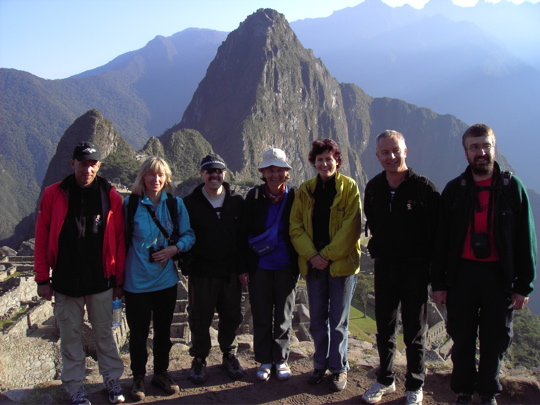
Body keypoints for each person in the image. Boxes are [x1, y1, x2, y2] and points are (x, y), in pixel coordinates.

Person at [432, 124, 537, 405]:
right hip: (462, 274)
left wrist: (523, 285)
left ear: (494, 148)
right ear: (465, 152)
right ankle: (463, 390)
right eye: (474, 147)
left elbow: (526, 239)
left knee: (496, 338)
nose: (481, 152)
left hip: (499, 276)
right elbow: (441, 240)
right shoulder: (455, 190)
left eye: (486, 146)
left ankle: (489, 391)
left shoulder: (511, 188)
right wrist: (439, 283)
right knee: (462, 336)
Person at [34, 141, 126, 405]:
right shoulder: (54, 194)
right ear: (72, 163)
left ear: (99, 166)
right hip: (65, 281)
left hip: (100, 280)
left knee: (105, 335)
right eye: (82, 163)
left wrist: (118, 281)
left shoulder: (111, 196)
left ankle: (112, 380)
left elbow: (119, 241)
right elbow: (41, 237)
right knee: (70, 336)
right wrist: (42, 279)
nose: (87, 169)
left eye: (92, 164)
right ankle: (75, 387)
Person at [361, 130, 440, 405]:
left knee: (414, 331)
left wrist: (435, 276)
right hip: (384, 267)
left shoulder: (423, 189)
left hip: (415, 269)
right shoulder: (373, 188)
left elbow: (437, 234)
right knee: (385, 327)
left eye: (396, 150)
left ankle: (415, 383)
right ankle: (385, 378)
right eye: (385, 152)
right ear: (377, 156)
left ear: (405, 151)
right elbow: (373, 221)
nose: (391, 157)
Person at [289, 139, 362, 392]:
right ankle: (319, 365)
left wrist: (326, 255)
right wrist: (312, 255)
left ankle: (339, 368)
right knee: (318, 319)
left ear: (337, 160)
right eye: (319, 159)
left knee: (338, 321)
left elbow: (351, 228)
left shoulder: (349, 188)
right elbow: (295, 226)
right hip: (313, 264)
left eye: (329, 158)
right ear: (314, 162)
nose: (324, 163)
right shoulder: (305, 190)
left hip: (340, 264)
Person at [122, 157, 195, 400]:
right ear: (142, 177)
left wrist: (175, 249)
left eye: (160, 175)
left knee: (163, 332)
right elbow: (119, 240)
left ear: (166, 179)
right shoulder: (130, 205)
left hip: (166, 281)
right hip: (137, 281)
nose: (156, 180)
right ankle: (138, 377)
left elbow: (189, 234)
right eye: (151, 175)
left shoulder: (175, 205)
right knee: (139, 332)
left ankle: (161, 373)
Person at [183, 153, 246, 384]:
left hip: (230, 270)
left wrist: (242, 268)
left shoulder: (236, 201)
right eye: (209, 171)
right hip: (202, 271)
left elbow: (243, 239)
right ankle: (199, 357)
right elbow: (183, 235)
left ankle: (229, 354)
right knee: (200, 316)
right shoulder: (190, 203)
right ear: (202, 174)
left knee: (231, 315)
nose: (214, 175)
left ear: (224, 175)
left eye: (218, 171)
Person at [240, 148, 299, 382]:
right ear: (263, 173)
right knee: (262, 313)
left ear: (286, 172)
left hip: (286, 266)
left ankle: (281, 359)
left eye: (279, 170)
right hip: (260, 266)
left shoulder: (294, 196)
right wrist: (243, 267)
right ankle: (265, 359)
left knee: (284, 315)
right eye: (270, 170)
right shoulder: (254, 197)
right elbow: (243, 233)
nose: (275, 174)